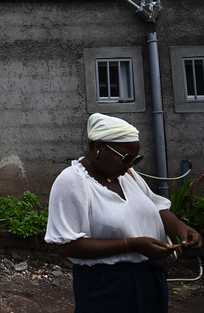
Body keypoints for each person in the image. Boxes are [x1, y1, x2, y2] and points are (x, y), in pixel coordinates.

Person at [45, 113, 202, 312]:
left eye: (135, 159)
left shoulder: (127, 175)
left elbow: (156, 207)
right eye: (126, 158)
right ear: (99, 147)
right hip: (106, 286)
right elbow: (66, 246)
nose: (130, 165)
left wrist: (182, 228)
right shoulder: (72, 182)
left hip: (150, 279)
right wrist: (132, 245)